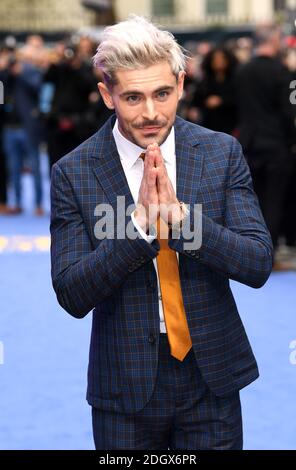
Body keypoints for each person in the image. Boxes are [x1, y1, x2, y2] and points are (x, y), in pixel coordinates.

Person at [50, 16, 273, 450]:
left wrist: (183, 222)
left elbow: (257, 262)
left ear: (181, 84)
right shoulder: (74, 172)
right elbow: (72, 293)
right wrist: (139, 228)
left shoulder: (220, 153)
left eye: (162, 94)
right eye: (133, 97)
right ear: (107, 95)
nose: (151, 113)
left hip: (213, 378)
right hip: (125, 386)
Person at [236, 24, 295, 253]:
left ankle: (256, 249)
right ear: (275, 39)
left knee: (255, 201)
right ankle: (267, 251)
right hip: (276, 144)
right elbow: (288, 112)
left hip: (250, 144)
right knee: (275, 200)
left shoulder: (242, 71)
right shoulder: (280, 72)